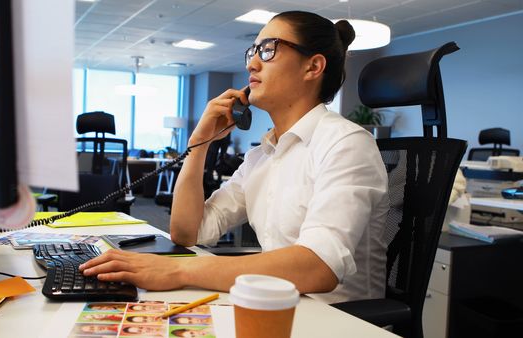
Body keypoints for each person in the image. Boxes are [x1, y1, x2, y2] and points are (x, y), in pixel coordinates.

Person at [79, 10, 388, 303]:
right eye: (252, 51)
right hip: (275, 305)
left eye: (268, 50)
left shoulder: (346, 144)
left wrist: (178, 270)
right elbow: (188, 231)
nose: (252, 64)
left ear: (312, 67)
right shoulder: (261, 157)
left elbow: (318, 265)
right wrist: (199, 144)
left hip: (337, 321)